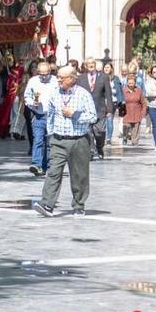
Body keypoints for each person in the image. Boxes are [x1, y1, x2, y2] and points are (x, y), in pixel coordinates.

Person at [33, 66, 98, 217]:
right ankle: (47, 204)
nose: (59, 79)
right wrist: (51, 135)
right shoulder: (55, 93)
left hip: (79, 140)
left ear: (72, 78)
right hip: (58, 140)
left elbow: (93, 117)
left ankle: (78, 205)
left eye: (62, 77)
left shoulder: (83, 94)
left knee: (79, 175)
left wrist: (74, 114)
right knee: (53, 172)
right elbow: (50, 115)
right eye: (58, 77)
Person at [24, 62, 59, 177]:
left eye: (46, 74)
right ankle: (36, 164)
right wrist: (31, 103)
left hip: (53, 115)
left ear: (50, 72)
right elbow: (27, 96)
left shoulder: (55, 81)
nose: (44, 77)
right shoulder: (33, 81)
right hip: (38, 115)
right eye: (41, 74)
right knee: (38, 140)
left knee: (49, 142)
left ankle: (46, 166)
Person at [76, 57, 113, 160]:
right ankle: (91, 151)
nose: (91, 65)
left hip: (100, 109)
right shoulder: (80, 79)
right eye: (89, 64)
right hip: (85, 110)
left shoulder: (103, 77)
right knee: (88, 131)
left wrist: (109, 109)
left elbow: (108, 94)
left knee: (100, 131)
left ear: (95, 65)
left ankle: (100, 147)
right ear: (86, 66)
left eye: (93, 63)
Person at [0, 55, 24, 138]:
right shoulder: (11, 70)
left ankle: (16, 130)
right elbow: (9, 83)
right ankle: (11, 130)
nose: (21, 62)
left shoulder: (22, 70)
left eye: (23, 60)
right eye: (20, 60)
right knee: (12, 112)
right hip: (12, 94)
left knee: (18, 112)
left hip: (20, 94)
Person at [102, 62, 123, 146]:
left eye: (108, 67)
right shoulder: (101, 78)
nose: (106, 69)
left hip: (113, 102)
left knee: (110, 120)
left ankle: (108, 138)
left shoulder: (116, 78)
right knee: (103, 121)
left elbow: (120, 90)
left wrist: (122, 101)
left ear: (111, 69)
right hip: (103, 102)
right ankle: (103, 137)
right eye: (105, 67)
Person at [121, 76, 146, 146]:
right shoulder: (123, 90)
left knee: (136, 128)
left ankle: (135, 142)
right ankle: (125, 137)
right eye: (129, 82)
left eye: (132, 82)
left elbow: (143, 103)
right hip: (126, 112)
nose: (131, 84)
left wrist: (143, 113)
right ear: (127, 83)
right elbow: (120, 102)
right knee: (126, 126)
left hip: (137, 112)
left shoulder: (139, 90)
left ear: (135, 83)